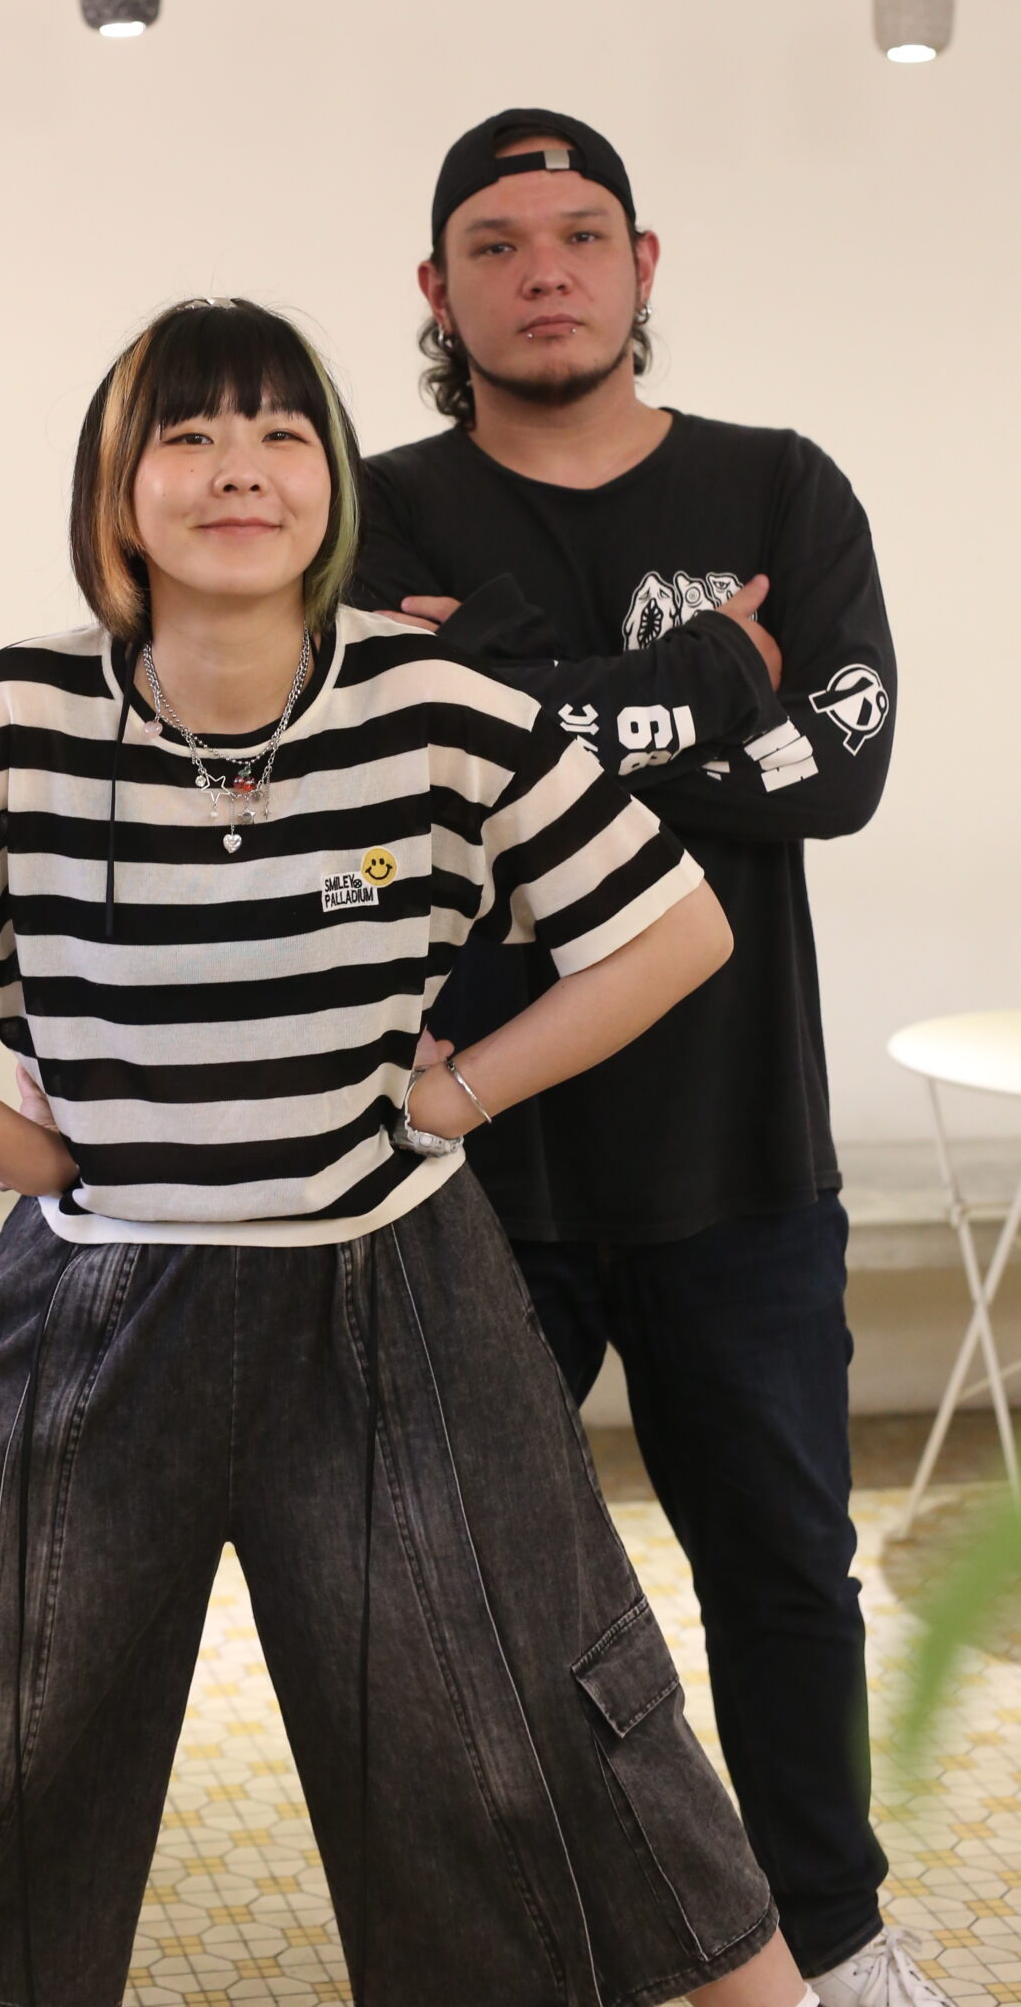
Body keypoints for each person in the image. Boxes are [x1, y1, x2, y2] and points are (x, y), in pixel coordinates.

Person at [0, 296, 817, 2007]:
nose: (239, 469)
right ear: (117, 492)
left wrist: (461, 1095)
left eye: (280, 433)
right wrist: (21, 1153)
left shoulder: (439, 708)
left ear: (333, 485)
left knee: (536, 1701)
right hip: (89, 1307)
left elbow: (675, 931)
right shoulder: (16, 717)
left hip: (397, 1295)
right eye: (188, 435)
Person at [355, 109, 921, 2007]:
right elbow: (397, 775)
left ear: (643, 263)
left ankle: (832, 1946)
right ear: (438, 288)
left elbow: (840, 769)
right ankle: (535, 1948)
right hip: (465, 1162)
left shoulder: (780, 486)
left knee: (784, 1579)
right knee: (465, 1604)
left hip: (737, 1159)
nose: (546, 271)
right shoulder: (375, 510)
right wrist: (705, 688)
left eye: (582, 233)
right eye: (498, 244)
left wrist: (519, 694)